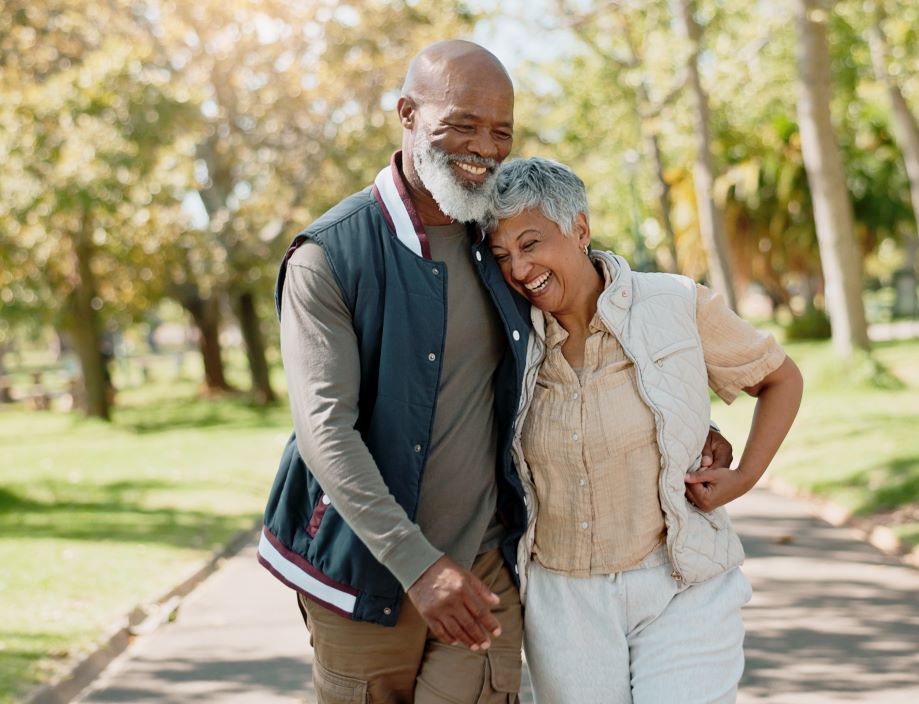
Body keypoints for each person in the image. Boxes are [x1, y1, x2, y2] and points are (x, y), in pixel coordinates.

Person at [258, 40, 733, 704]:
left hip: (486, 566)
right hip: (366, 568)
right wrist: (419, 568)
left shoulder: (503, 242)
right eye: (462, 126)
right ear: (407, 113)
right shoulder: (329, 257)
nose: (484, 148)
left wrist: (683, 418)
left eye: (500, 132)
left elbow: (594, 312)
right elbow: (325, 433)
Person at [486, 157, 804, 704]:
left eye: (531, 243)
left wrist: (746, 475)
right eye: (502, 256)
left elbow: (779, 378)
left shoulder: (675, 303)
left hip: (681, 582)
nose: (518, 268)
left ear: (579, 229)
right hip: (564, 597)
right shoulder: (507, 338)